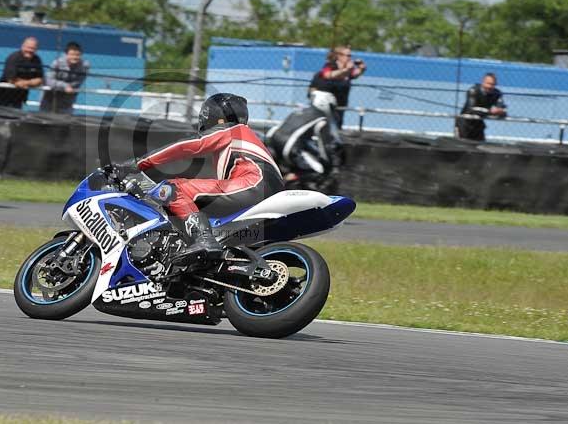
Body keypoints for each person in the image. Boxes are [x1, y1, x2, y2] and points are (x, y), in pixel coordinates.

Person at [113, 93, 283, 264]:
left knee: (173, 189)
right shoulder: (243, 139)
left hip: (255, 183)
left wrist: (138, 163)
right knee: (197, 206)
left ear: (215, 117)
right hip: (264, 187)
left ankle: (204, 239)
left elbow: (187, 146)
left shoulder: (232, 130)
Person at [266, 90, 344, 188]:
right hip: (289, 146)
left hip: (271, 141)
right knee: (317, 171)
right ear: (324, 103)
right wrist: (329, 165)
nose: (332, 111)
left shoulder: (299, 111)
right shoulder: (321, 119)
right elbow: (324, 147)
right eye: (332, 107)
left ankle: (276, 184)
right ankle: (283, 185)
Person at [310, 45, 366, 127]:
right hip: (326, 105)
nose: (349, 58)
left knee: (336, 128)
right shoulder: (330, 66)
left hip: (340, 106)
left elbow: (356, 74)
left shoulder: (349, 70)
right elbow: (328, 75)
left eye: (350, 56)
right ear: (339, 56)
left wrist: (362, 68)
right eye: (348, 55)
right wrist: (345, 70)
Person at [0, 37, 43, 109]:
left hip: (19, 97)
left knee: (16, 118)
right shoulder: (14, 58)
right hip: (3, 95)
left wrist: (25, 83)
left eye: (32, 48)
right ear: (22, 46)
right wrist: (30, 82)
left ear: (36, 49)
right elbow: (11, 79)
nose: (29, 50)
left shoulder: (37, 60)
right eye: (28, 47)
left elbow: (39, 80)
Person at [40, 41, 90, 114]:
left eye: (77, 55)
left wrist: (70, 87)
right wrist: (64, 86)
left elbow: (79, 81)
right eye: (72, 54)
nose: (75, 57)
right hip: (50, 96)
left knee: (64, 121)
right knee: (45, 118)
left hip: (67, 99)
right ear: (66, 54)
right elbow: (48, 80)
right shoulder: (57, 63)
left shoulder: (84, 66)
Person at [455, 72, 507, 142]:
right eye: (488, 83)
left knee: (480, 147)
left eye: (493, 84)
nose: (490, 86)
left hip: (478, 123)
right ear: (483, 82)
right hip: (465, 123)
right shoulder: (473, 90)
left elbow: (502, 110)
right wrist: (490, 112)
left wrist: (500, 111)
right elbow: (471, 109)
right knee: (462, 146)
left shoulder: (497, 93)